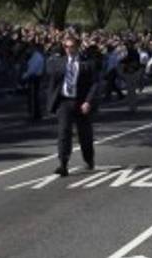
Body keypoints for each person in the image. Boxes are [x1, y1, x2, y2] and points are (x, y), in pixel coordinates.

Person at [46, 34, 100, 177]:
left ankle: (89, 158)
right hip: (65, 102)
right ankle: (63, 164)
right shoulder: (59, 62)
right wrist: (52, 102)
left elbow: (95, 83)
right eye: (66, 46)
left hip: (81, 102)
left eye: (71, 46)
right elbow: (52, 82)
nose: (68, 49)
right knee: (64, 133)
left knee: (85, 135)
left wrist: (88, 101)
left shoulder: (87, 63)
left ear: (77, 46)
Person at [21, 41, 45, 121]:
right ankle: (36, 114)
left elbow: (32, 69)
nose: (28, 50)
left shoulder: (37, 57)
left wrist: (25, 76)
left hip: (34, 78)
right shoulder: (35, 56)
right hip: (34, 77)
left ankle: (33, 114)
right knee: (34, 97)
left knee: (33, 98)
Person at [118, 41, 143, 114]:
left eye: (127, 45)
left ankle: (132, 107)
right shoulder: (133, 52)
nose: (126, 46)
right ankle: (132, 106)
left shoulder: (132, 53)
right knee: (131, 90)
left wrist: (123, 62)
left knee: (131, 90)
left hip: (131, 72)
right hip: (132, 71)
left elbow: (127, 61)